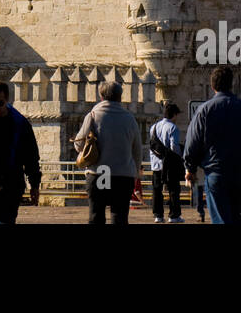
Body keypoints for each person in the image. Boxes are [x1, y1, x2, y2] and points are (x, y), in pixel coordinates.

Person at [183, 67, 241, 225]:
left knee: (222, 218)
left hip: (217, 172)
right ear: (232, 84)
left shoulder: (205, 110)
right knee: (235, 216)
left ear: (212, 86)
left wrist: (190, 168)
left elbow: (193, 141)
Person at [71, 80, 142, 225]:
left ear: (101, 96)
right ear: (120, 97)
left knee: (96, 215)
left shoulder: (93, 115)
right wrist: (135, 174)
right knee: (120, 217)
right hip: (123, 176)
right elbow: (137, 150)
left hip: (99, 174)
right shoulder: (130, 119)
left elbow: (79, 145)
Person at [0, 81, 41, 224]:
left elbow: (31, 157)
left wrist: (34, 186)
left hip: (10, 186)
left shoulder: (20, 123)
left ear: (7, 100)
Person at [148, 101, 184, 223]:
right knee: (173, 190)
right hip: (169, 164)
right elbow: (174, 147)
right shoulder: (173, 127)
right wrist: (180, 157)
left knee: (157, 190)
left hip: (156, 164)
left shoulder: (153, 127)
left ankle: (158, 215)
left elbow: (152, 145)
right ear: (174, 114)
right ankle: (174, 215)